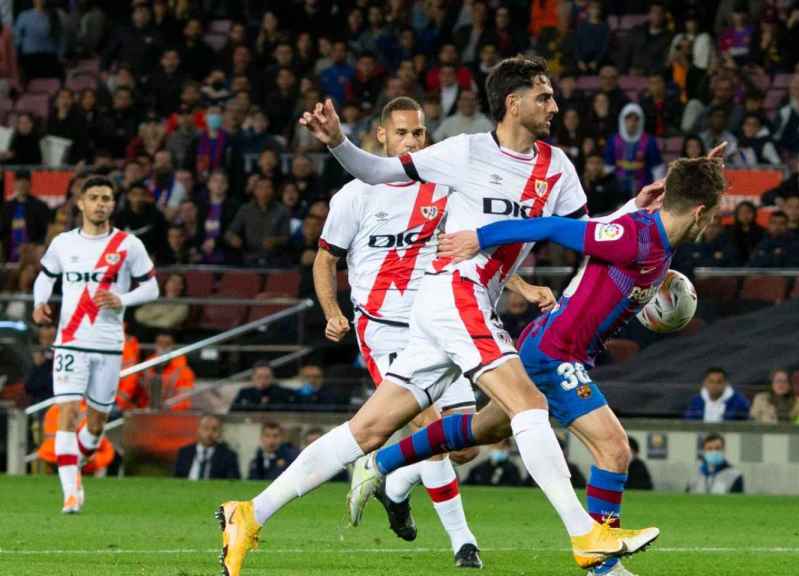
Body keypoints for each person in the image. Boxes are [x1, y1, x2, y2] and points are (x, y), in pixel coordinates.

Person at [218, 56, 661, 576]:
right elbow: (379, 170)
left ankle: (248, 513)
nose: (554, 105)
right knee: (528, 403)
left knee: (368, 429)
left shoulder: (556, 166)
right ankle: (585, 536)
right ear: (514, 102)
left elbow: (582, 234)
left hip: (449, 304)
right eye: (544, 96)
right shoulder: (465, 151)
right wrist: (338, 141)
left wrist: (631, 207)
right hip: (457, 289)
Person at [408, 150, 728, 576]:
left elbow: (637, 218)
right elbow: (556, 226)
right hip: (555, 351)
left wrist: (699, 173)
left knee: (478, 433)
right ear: (700, 211)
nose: (709, 224)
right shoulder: (639, 240)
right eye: (709, 214)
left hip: (557, 347)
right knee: (613, 448)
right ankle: (603, 564)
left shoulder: (657, 237)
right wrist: (480, 237)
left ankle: (385, 464)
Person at [313, 96, 496, 565]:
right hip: (384, 331)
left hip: (439, 324)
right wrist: (333, 311)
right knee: (429, 426)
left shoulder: (441, 188)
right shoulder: (354, 194)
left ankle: (394, 485)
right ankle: (464, 542)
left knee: (466, 447)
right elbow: (325, 258)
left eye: (419, 133)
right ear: (381, 136)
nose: (412, 141)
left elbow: (469, 247)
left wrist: (519, 282)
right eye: (402, 133)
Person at [31, 176, 160, 513]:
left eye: (106, 198)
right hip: (70, 342)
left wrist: (122, 298)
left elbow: (152, 288)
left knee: (97, 424)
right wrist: (38, 303)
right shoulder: (63, 243)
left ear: (112, 205)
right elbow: (45, 275)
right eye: (94, 198)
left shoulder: (127, 245)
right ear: (81, 203)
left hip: (108, 344)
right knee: (68, 412)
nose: (100, 203)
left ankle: (77, 465)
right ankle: (70, 493)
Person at [0, 169, 51, 262]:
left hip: (31, 251)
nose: (22, 185)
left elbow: (45, 232)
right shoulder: (7, 207)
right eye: (19, 182)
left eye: (25, 182)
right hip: (9, 251)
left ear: (30, 184)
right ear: (14, 184)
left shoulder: (40, 206)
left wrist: (34, 245)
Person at [173, 415, 241, 480]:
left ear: (220, 433)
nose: (209, 433)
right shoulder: (184, 452)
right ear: (198, 430)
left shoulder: (228, 456)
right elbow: (176, 478)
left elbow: (234, 482)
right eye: (206, 428)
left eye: (214, 429)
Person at [685, 367, 751, 422]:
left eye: (719, 382)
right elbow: (688, 421)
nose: (714, 385)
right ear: (704, 383)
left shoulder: (739, 401)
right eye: (711, 381)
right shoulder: (696, 401)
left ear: (726, 384)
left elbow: (746, 423)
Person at [230, 362, 294, 411]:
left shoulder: (283, 393)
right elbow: (233, 413)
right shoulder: (244, 393)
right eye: (259, 377)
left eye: (267, 377)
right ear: (253, 377)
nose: (263, 380)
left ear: (272, 377)